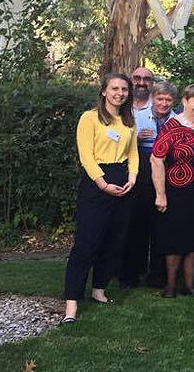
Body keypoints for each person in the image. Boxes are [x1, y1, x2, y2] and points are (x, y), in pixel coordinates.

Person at [62, 73, 138, 324]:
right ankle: (72, 303)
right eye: (115, 88)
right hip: (97, 183)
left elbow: (133, 153)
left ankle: (99, 290)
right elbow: (86, 156)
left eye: (124, 89)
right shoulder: (90, 118)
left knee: (114, 240)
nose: (120, 93)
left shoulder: (128, 120)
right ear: (104, 91)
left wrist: (133, 177)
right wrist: (103, 183)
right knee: (87, 244)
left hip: (123, 181)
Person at [151, 84, 194, 298]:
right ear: (185, 101)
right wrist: (160, 193)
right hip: (176, 191)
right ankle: (171, 286)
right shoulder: (172, 125)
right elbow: (156, 159)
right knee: (174, 238)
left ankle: (189, 285)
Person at [121, 80, 177, 288]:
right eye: (160, 99)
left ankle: (157, 276)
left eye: (168, 100)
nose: (164, 103)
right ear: (153, 98)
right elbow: (122, 146)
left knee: (162, 229)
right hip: (142, 175)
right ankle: (131, 275)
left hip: (168, 176)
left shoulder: (177, 121)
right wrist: (136, 138)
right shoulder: (137, 117)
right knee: (137, 228)